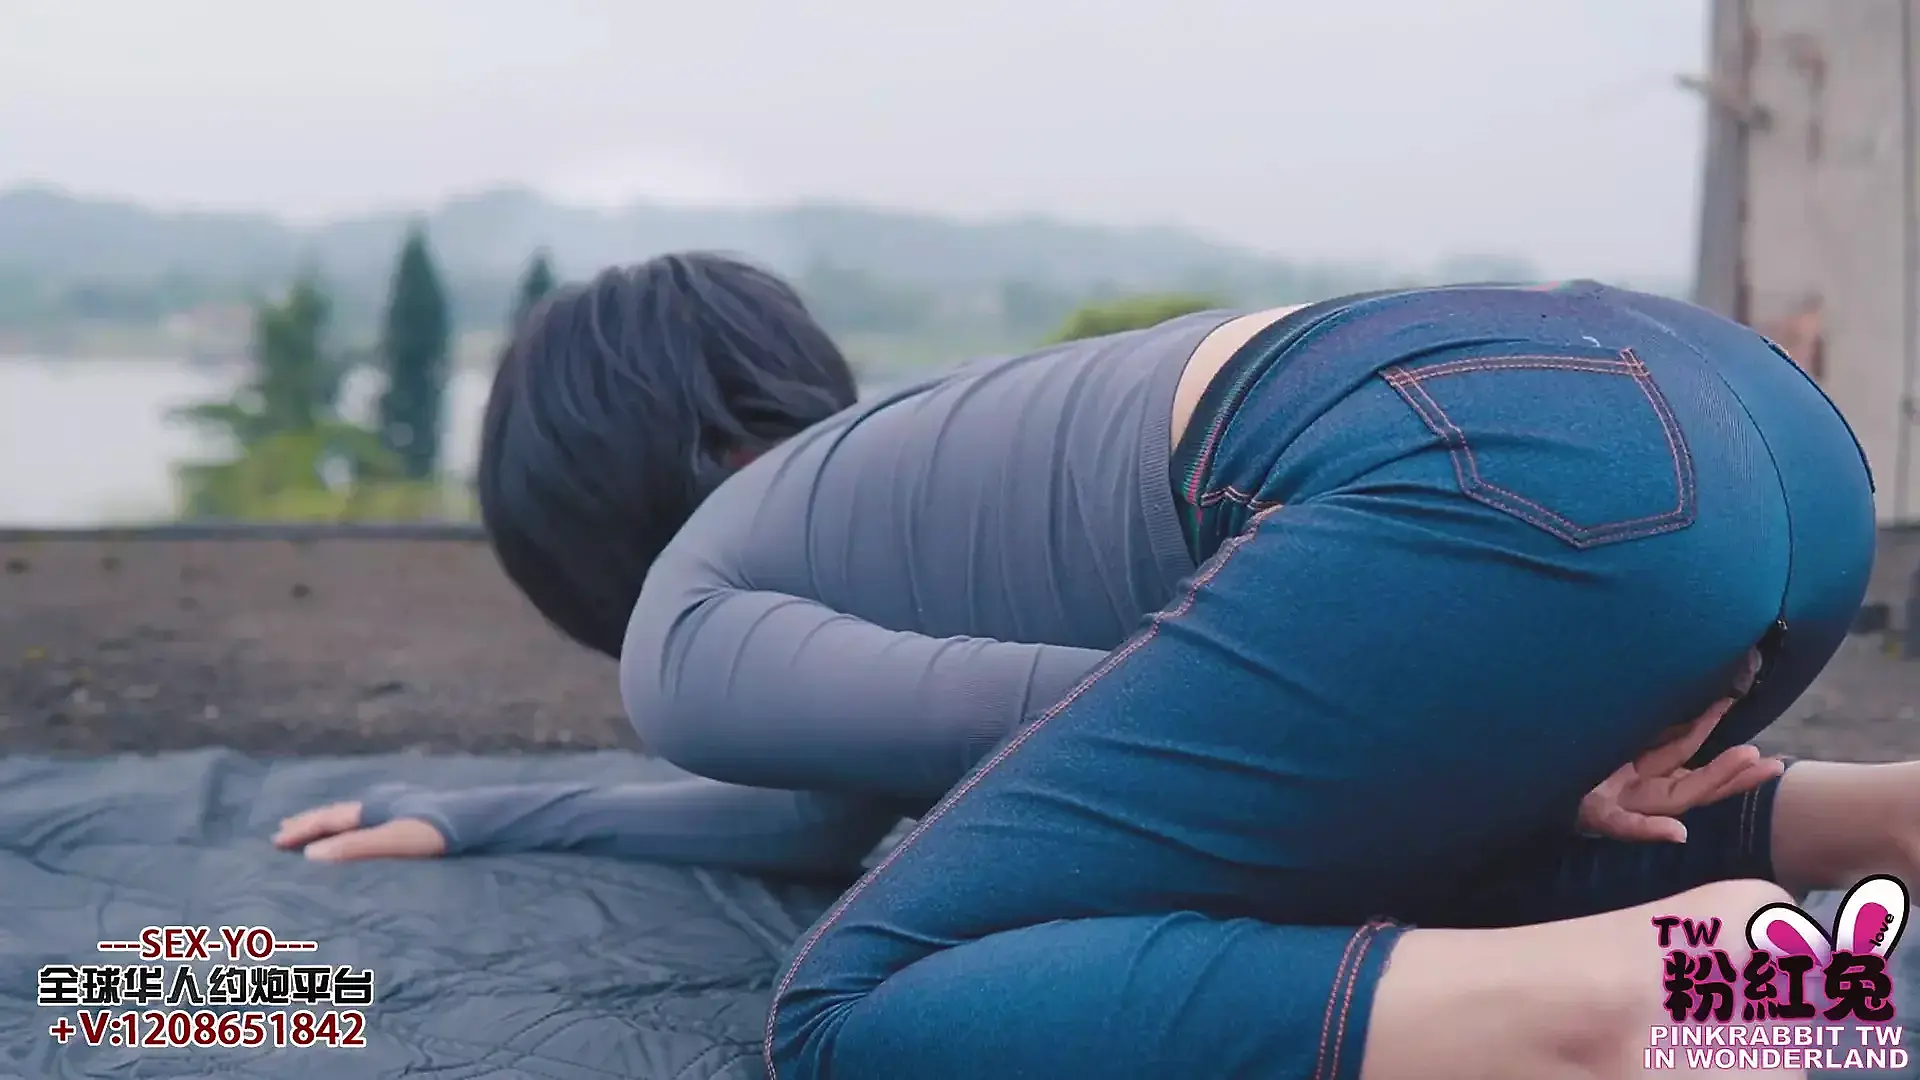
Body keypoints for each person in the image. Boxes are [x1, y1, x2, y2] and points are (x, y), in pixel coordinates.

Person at [278, 254, 1883, 1079]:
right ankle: (1861, 825)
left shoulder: (684, 622)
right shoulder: (906, 460)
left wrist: (1487, 774)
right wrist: (482, 813)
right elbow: (832, 820)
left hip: (1510, 479)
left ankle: (1637, 1001)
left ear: (573, 522)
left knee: (850, 1013)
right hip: (1760, 451)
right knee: (1307, 830)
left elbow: (1089, 721)